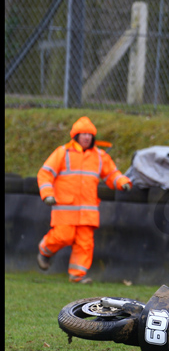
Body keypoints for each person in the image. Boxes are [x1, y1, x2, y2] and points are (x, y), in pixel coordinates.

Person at [36, 116, 132, 284]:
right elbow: (45, 173)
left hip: (88, 211)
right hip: (65, 208)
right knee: (62, 237)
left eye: (89, 134)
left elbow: (112, 174)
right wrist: (47, 194)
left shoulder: (100, 156)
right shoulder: (62, 152)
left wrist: (122, 182)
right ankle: (44, 251)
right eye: (83, 134)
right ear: (76, 136)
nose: (87, 137)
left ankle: (77, 276)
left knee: (85, 244)